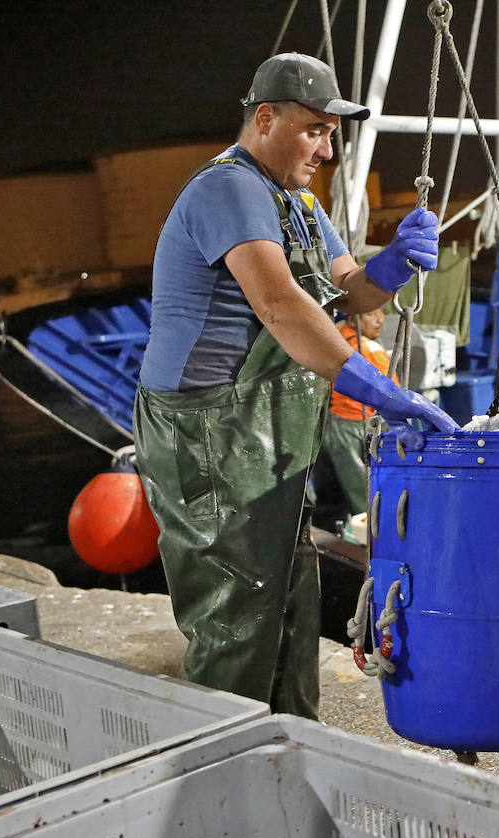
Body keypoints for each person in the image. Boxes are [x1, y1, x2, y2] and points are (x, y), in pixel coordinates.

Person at [134, 52, 458, 720]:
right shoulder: (228, 189)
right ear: (265, 118)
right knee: (235, 611)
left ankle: (291, 742)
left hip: (267, 431)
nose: (326, 146)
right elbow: (282, 306)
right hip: (207, 431)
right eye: (313, 129)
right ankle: (223, 762)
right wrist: (387, 394)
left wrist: (393, 262)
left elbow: (347, 291)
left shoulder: (302, 206)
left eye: (331, 132)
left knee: (289, 595)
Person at [321, 309, 393, 522]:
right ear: (354, 317)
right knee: (364, 499)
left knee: (330, 498)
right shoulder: (371, 350)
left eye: (381, 313)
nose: (379, 320)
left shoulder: (335, 334)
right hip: (356, 428)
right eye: (371, 314)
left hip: (330, 425)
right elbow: (392, 396)